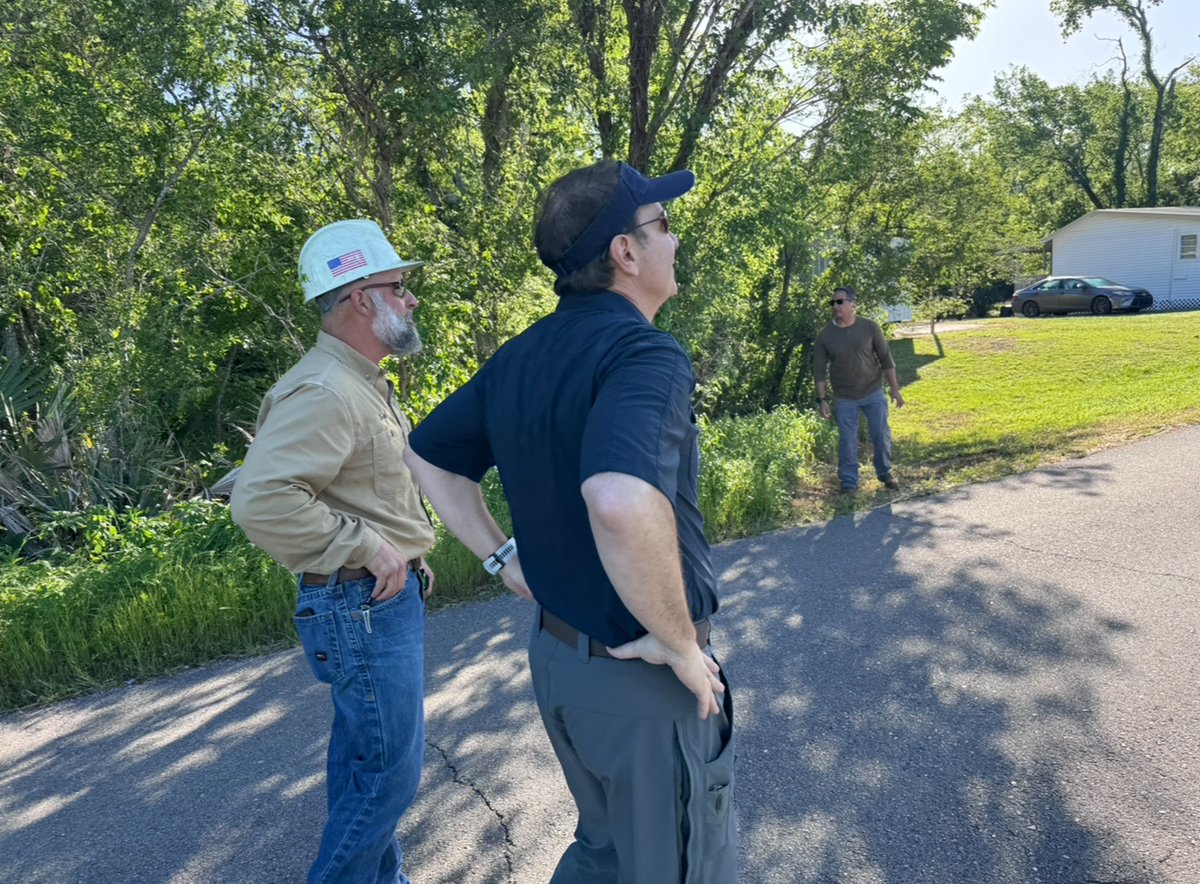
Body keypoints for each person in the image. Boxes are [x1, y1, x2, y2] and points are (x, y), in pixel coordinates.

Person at [403, 160, 736, 882]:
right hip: (640, 681)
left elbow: (426, 455)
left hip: (560, 666)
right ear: (625, 252)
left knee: (604, 853)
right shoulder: (644, 353)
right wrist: (681, 647)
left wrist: (502, 560)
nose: (675, 241)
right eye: (663, 226)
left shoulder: (521, 355)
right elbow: (616, 498)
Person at [230, 218, 435, 884]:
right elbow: (261, 499)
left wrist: (397, 545)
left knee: (366, 768)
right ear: (358, 299)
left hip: (371, 603)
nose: (410, 300)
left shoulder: (359, 380)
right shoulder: (324, 388)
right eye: (397, 287)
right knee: (388, 778)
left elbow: (363, 489)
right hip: (360, 604)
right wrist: (367, 545)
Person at [813, 285, 905, 493]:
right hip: (844, 396)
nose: (835, 306)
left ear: (852, 304)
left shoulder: (869, 327)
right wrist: (822, 399)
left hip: (872, 391)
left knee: (880, 434)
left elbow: (885, 359)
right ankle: (849, 483)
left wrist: (895, 389)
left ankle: (885, 473)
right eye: (833, 303)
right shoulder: (825, 335)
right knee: (847, 441)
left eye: (840, 302)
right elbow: (819, 370)